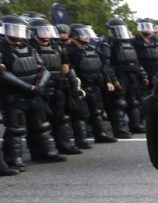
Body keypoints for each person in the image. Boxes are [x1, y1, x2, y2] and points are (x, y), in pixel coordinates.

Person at [1, 14, 67, 170]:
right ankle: (14, 159)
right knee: (16, 129)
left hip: (34, 92)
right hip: (13, 94)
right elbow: (3, 74)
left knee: (41, 125)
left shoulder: (29, 47)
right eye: (14, 29)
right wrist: (27, 87)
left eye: (20, 30)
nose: (17, 34)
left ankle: (45, 153)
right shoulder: (2, 49)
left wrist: (39, 86)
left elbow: (43, 69)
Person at [28, 16, 83, 155]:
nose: (46, 35)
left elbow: (65, 67)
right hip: (40, 89)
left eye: (47, 31)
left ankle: (64, 145)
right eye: (42, 31)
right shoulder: (30, 48)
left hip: (58, 86)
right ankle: (41, 151)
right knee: (40, 122)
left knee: (61, 118)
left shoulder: (57, 46)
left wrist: (71, 85)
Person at [66, 24, 118, 145]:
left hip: (94, 85)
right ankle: (81, 140)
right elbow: (69, 71)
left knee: (97, 111)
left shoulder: (92, 49)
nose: (87, 36)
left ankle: (101, 134)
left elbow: (103, 66)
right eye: (83, 34)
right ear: (74, 35)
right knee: (80, 114)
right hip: (80, 87)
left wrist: (108, 81)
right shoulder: (69, 51)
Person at [100, 17, 148, 136]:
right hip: (119, 74)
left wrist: (143, 75)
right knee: (119, 102)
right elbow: (107, 64)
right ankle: (120, 129)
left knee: (134, 101)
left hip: (132, 75)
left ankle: (135, 124)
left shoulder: (129, 43)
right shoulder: (108, 43)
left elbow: (136, 61)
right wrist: (113, 79)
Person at [131, 21, 158, 85]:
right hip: (142, 75)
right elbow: (134, 59)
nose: (147, 29)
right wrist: (143, 75)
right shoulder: (134, 41)